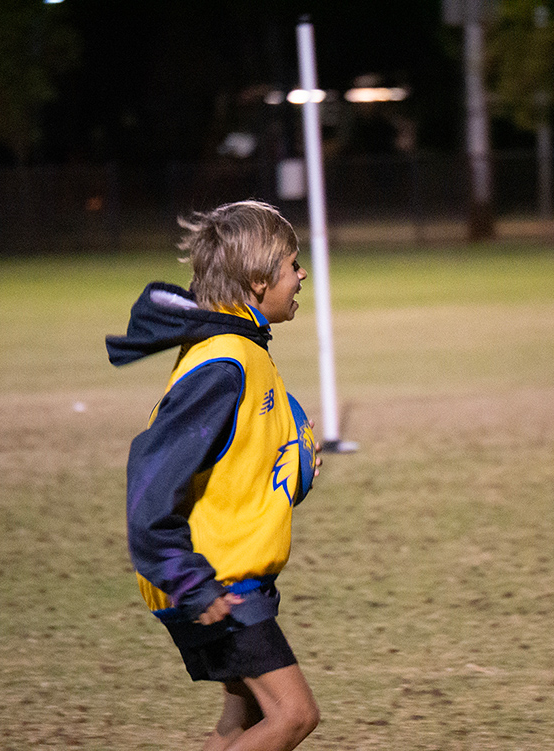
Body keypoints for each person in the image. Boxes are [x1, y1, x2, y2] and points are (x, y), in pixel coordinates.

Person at [106, 200, 321, 751]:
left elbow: (237, 467)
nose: (302, 277)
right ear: (256, 280)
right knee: (293, 715)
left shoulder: (245, 351)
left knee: (243, 721)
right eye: (293, 266)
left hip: (231, 575)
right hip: (213, 582)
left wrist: (294, 468)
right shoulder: (224, 364)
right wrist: (190, 583)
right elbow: (150, 484)